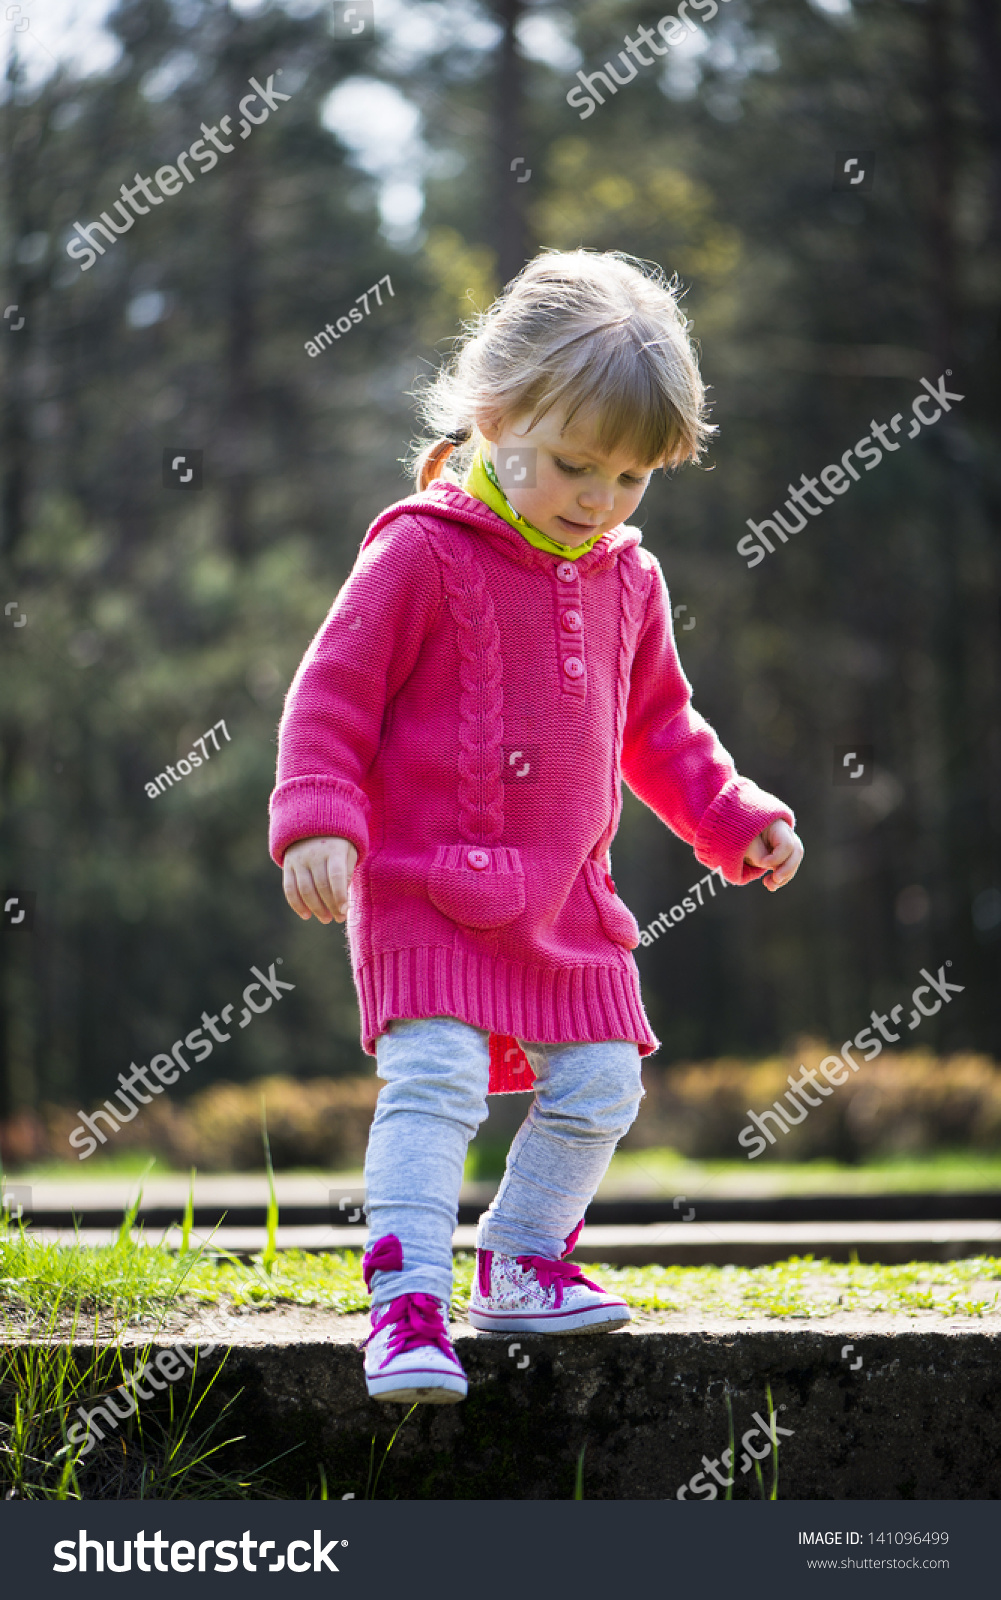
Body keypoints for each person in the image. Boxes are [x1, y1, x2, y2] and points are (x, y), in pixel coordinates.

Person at [269, 249, 803, 1405]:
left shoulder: (628, 579)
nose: (598, 499)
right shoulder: (419, 548)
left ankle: (519, 1259)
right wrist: (317, 818)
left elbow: (660, 728)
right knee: (439, 1077)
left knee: (605, 1079)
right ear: (493, 412)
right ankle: (405, 1300)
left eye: (628, 476)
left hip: (568, 900)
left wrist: (731, 815)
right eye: (572, 464)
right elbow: (332, 694)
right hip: (424, 881)